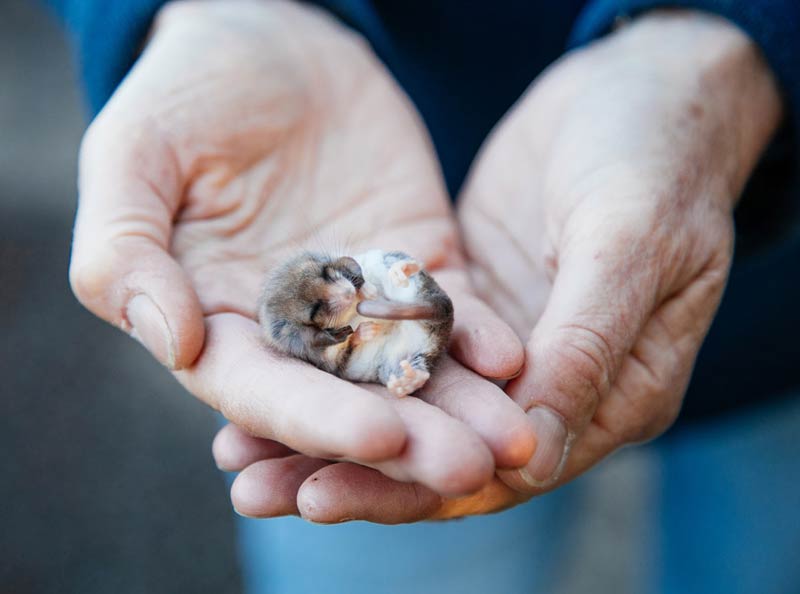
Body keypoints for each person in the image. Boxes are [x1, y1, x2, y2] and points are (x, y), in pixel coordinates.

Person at [48, 0, 799, 592]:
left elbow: (399, 303)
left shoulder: (359, 285)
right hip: (393, 158)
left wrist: (741, 37)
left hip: (770, 318)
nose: (347, 297)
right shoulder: (322, 321)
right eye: (334, 301)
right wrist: (209, 10)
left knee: (755, 556)